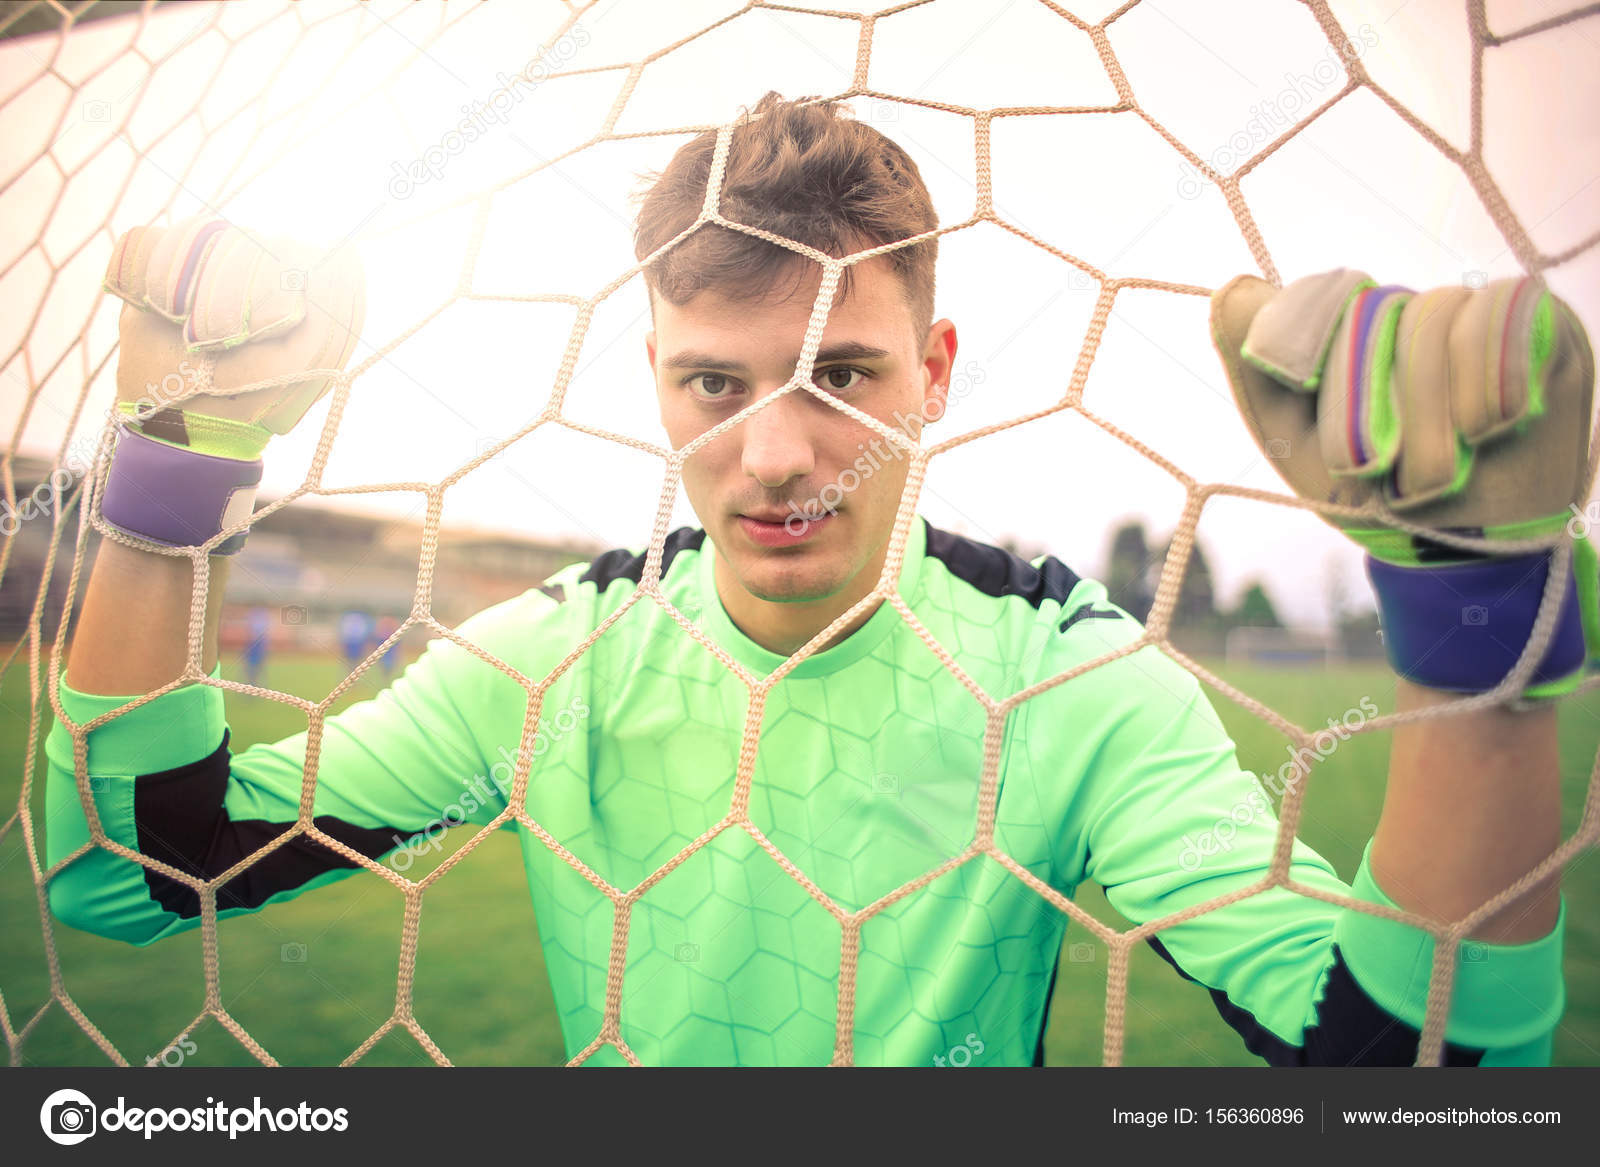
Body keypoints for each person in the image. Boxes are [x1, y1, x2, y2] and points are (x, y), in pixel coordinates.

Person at [43, 93, 1592, 1067]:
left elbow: (1415, 1068)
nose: (779, 453)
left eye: (840, 374)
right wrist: (180, 460)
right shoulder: (559, 658)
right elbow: (130, 873)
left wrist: (1480, 614)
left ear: (934, 373)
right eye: (715, 385)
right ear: (651, 379)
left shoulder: (1065, 670)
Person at [242, 604, 272, 686]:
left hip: (258, 646)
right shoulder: (260, 616)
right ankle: (253, 684)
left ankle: (256, 684)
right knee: (253, 669)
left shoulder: (259, 616)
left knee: (257, 668)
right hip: (254, 646)